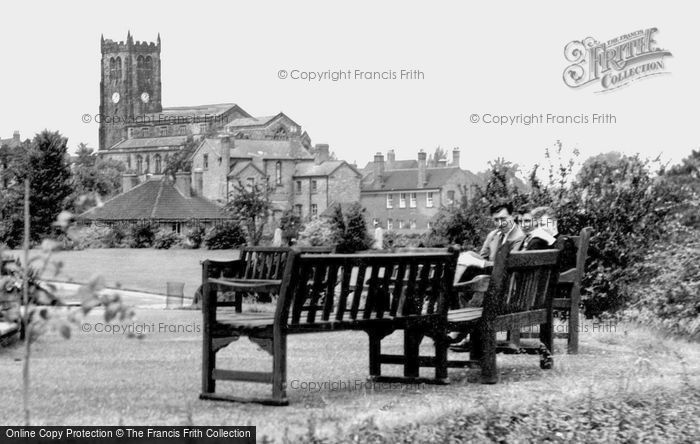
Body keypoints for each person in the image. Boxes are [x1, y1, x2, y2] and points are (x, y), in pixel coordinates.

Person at [453, 202, 526, 285]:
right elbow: (482, 257)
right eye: (496, 220)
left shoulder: (519, 236)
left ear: (512, 216)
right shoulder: (493, 235)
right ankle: (453, 291)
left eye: (503, 219)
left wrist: (481, 263)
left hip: (506, 281)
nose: (500, 223)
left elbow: (509, 265)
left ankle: (453, 291)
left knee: (466, 261)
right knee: (465, 257)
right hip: (489, 277)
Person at [521, 206, 577, 271]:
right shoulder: (537, 242)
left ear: (554, 224)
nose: (539, 229)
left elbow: (565, 267)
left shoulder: (564, 241)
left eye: (543, 225)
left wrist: (550, 240)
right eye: (537, 226)